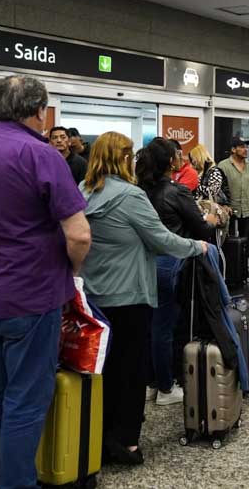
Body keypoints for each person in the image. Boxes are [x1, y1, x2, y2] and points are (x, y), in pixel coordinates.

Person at [80, 131, 207, 464]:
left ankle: (99, 436)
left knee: (103, 370)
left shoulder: (82, 192)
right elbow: (162, 239)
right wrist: (197, 246)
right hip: (130, 294)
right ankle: (126, 442)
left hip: (93, 296)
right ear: (123, 159)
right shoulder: (130, 196)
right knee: (131, 370)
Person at [0, 75, 91, 489]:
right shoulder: (41, 155)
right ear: (39, 112)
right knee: (26, 400)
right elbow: (79, 234)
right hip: (30, 294)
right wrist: (71, 269)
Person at [137, 138, 217, 407]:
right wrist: (212, 220)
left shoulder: (139, 191)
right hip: (170, 264)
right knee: (165, 327)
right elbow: (201, 229)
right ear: (172, 161)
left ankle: (150, 380)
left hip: (141, 264)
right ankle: (166, 386)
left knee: (147, 326)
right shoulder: (175, 192)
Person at [218, 137, 249, 239]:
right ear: (233, 150)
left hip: (248, 209)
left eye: (246, 147)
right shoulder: (223, 166)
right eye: (242, 147)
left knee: (245, 241)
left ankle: (245, 255)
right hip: (230, 210)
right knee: (230, 241)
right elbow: (218, 188)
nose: (246, 149)